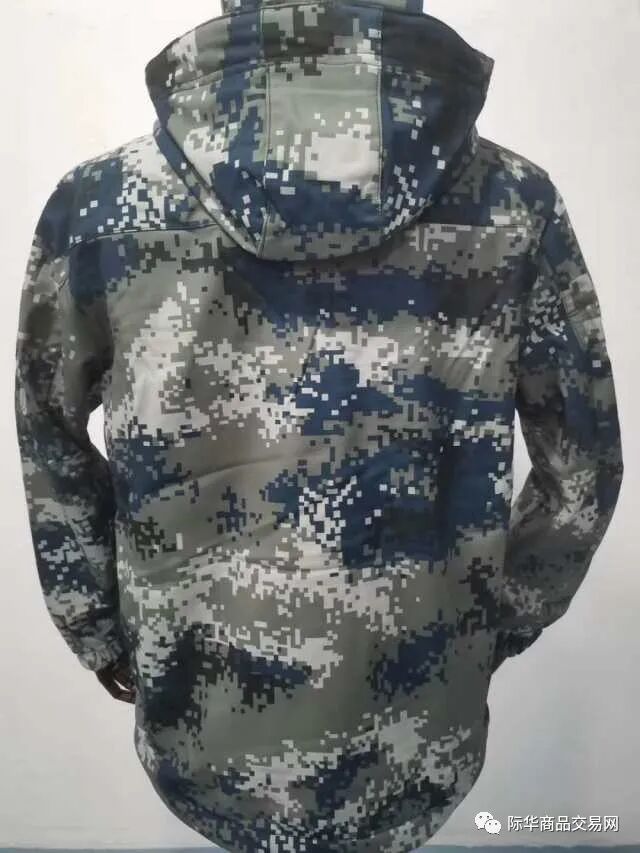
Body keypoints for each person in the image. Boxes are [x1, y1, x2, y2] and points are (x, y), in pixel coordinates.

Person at [14, 0, 624, 850]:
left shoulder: (100, 206)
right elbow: (582, 463)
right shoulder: (513, 203)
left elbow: (47, 435)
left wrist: (98, 625)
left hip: (200, 710)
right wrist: (491, 620)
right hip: (421, 712)